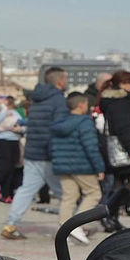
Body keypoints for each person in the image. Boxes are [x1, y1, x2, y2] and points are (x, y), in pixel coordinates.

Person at [0, 67, 69, 239]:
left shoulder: (37, 99)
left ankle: (10, 224)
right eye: (66, 79)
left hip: (32, 151)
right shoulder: (59, 101)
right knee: (65, 192)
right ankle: (74, 226)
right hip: (50, 152)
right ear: (60, 81)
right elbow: (60, 127)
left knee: (26, 189)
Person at [49, 92, 104, 244]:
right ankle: (77, 226)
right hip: (82, 165)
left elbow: (52, 145)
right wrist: (99, 167)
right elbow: (91, 146)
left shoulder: (59, 123)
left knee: (69, 196)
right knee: (94, 193)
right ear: (81, 105)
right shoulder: (84, 122)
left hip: (63, 165)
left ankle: (64, 228)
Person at [97, 70, 130, 227]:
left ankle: (111, 217)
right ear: (122, 84)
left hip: (115, 148)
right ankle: (108, 211)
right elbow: (123, 127)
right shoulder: (122, 103)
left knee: (118, 182)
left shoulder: (111, 101)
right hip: (124, 147)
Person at [0, 95, 24, 200]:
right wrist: (4, 113)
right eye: (0, 98)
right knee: (2, 169)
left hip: (14, 142)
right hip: (1, 142)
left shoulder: (14, 112)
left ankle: (6, 194)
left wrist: (20, 130)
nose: (3, 101)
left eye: (5, 99)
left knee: (11, 169)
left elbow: (22, 124)